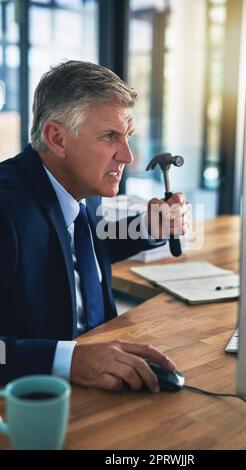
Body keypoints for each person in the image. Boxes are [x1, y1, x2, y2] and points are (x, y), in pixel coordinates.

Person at [0, 61, 188, 393]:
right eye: (110, 136)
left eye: (127, 136)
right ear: (57, 138)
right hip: (38, 404)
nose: (127, 156)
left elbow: (73, 247)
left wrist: (148, 226)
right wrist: (68, 360)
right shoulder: (6, 209)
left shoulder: (80, 183)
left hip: (106, 370)